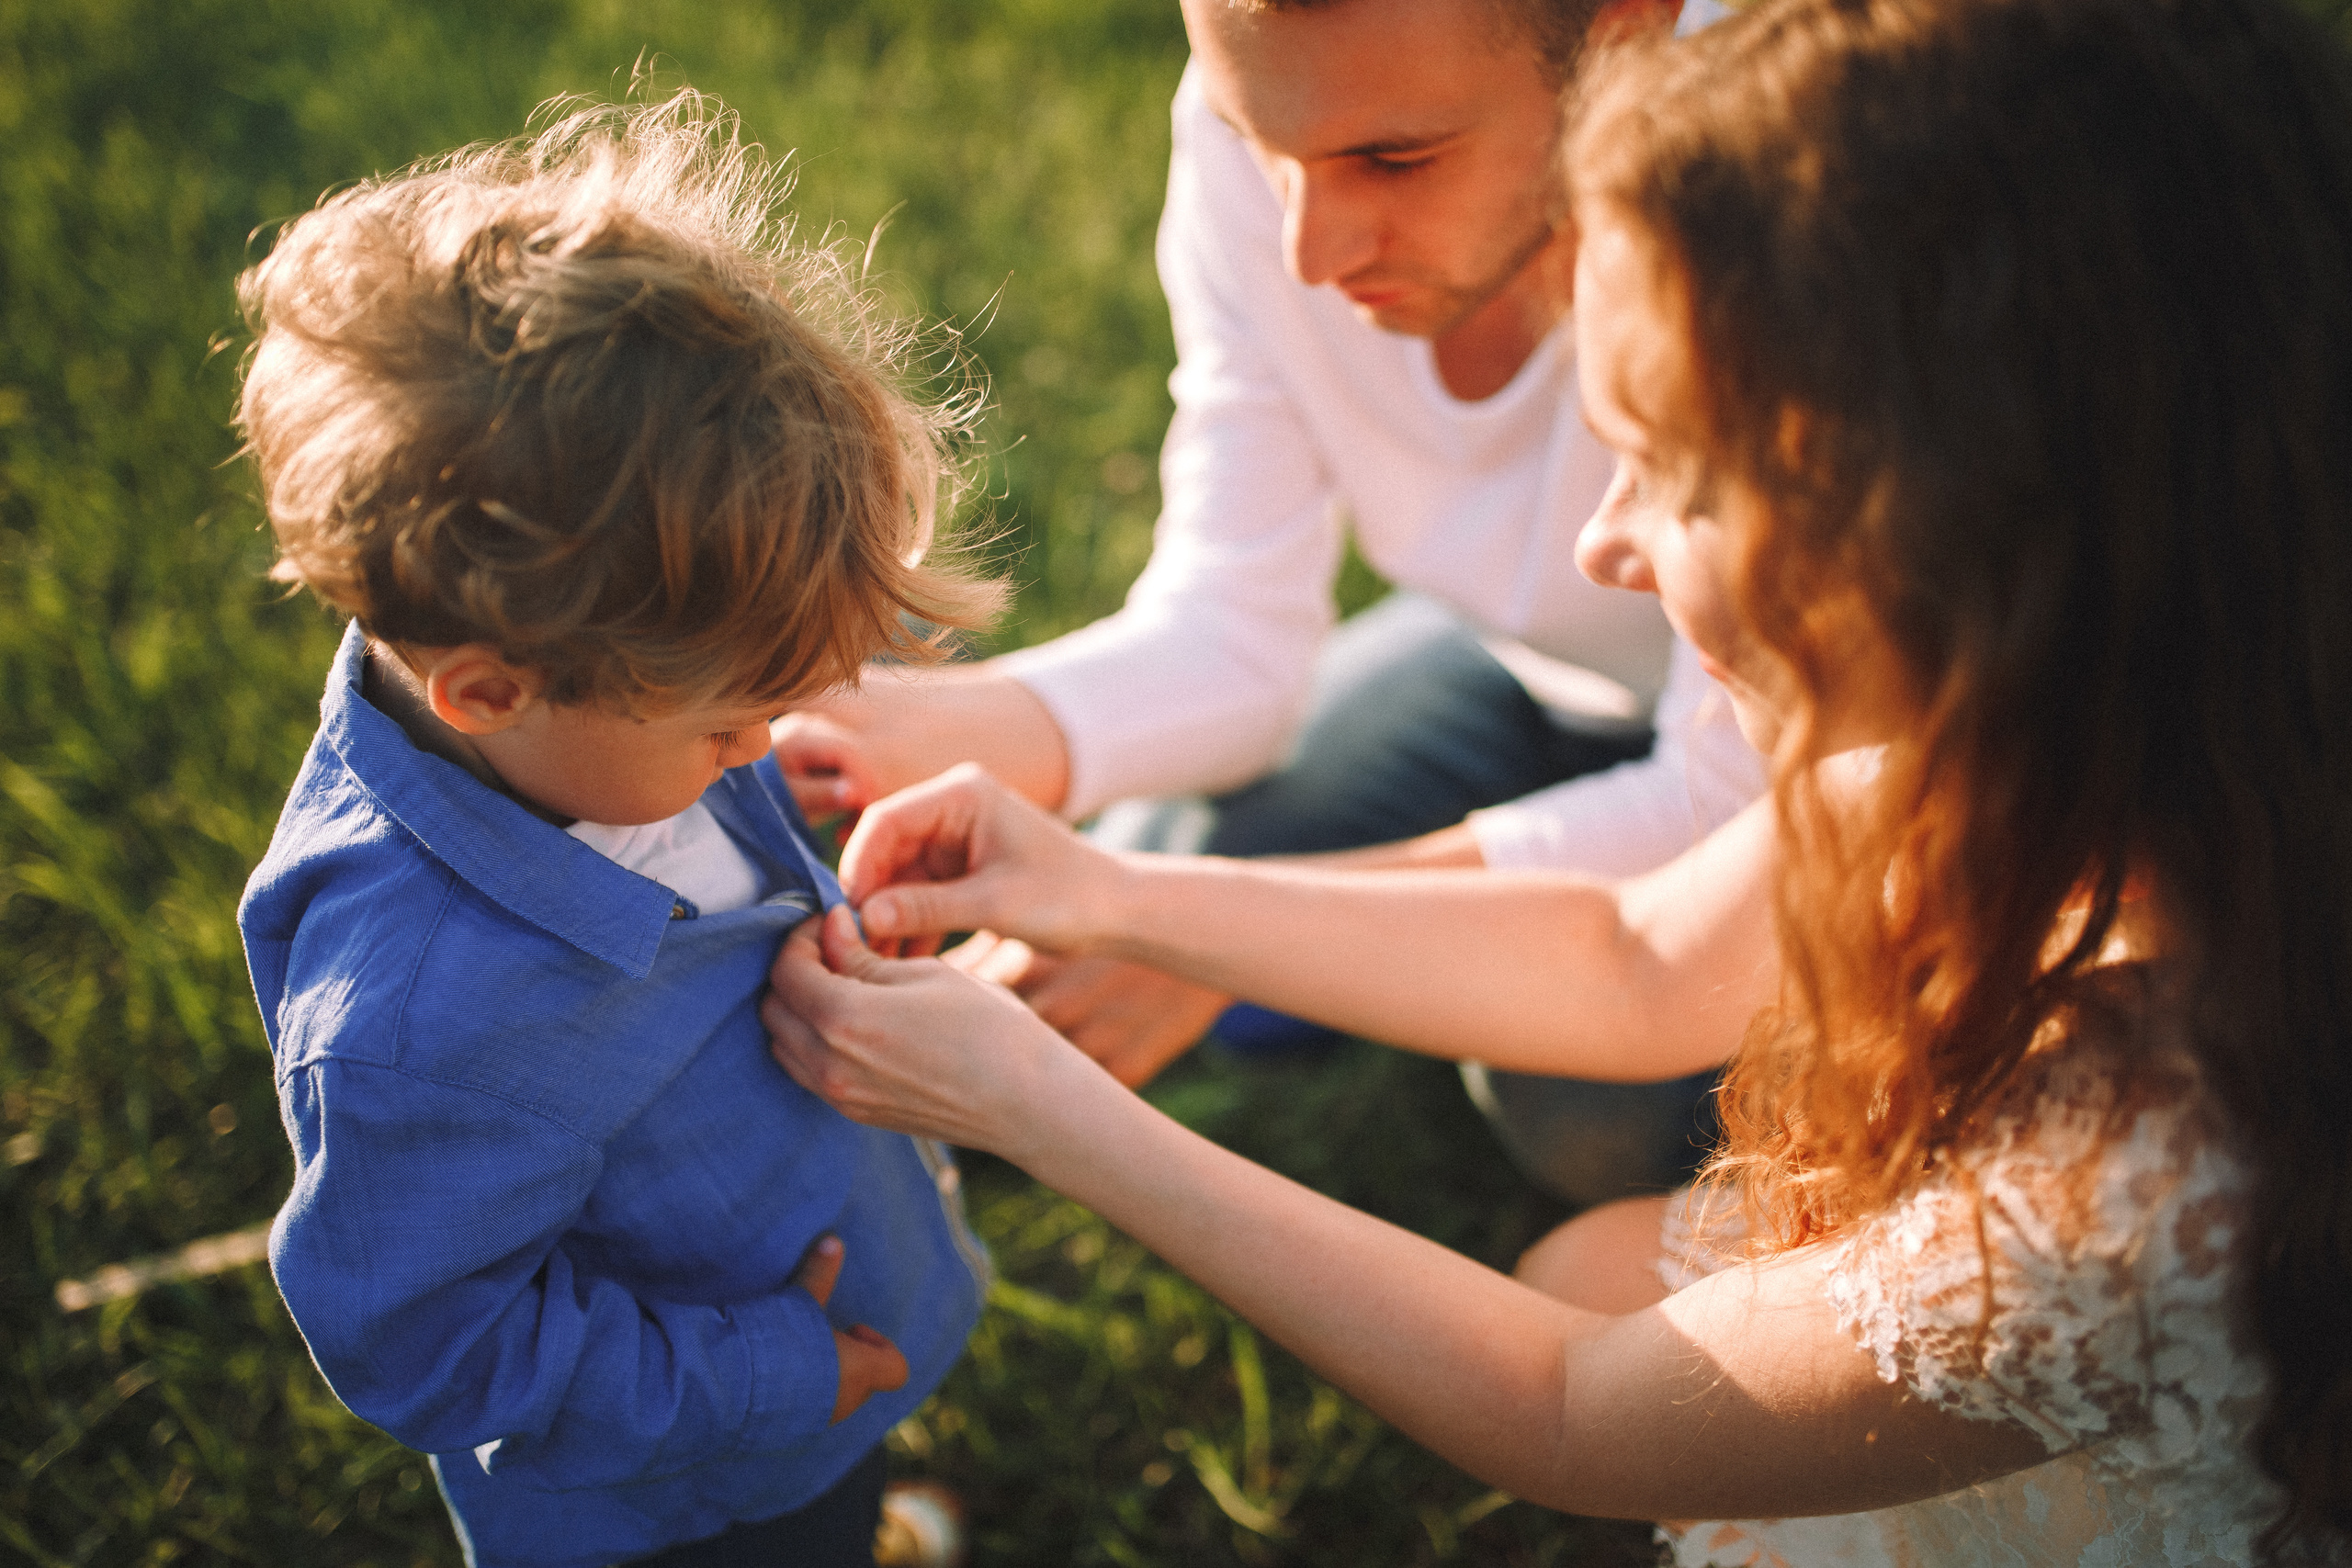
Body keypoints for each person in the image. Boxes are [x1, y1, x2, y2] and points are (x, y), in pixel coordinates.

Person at [763, 0, 2352, 1558]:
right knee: (1579, 1249)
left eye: (1668, 473)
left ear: (1951, 498)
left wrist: (1038, 1105)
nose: (1606, 545)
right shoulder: (2044, 736)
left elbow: (1576, 1414)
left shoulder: (2148, 1159)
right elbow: (1640, 950)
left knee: (1587, 1224)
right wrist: (1112, 889)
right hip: (1567, 722)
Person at [771, 0, 1768, 1206]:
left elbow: (1726, 812)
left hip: (1781, 777)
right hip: (1520, 664)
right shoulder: (1296, 105)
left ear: (1624, 32)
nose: (1311, 251)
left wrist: (1215, 940)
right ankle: (1375, 970)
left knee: (1578, 1107)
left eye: (1394, 160)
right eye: (1264, 151)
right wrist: (909, 727)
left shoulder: (1783, 180)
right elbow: (1232, 629)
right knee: (1149, 851)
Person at [233, 97, 1000, 1568]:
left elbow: (692, 816)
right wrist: (781, 1381)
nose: (754, 754)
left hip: (810, 1342)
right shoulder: (416, 1020)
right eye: (727, 730)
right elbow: (432, 1349)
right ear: (488, 690)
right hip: (694, 1497)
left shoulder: (585, 733)